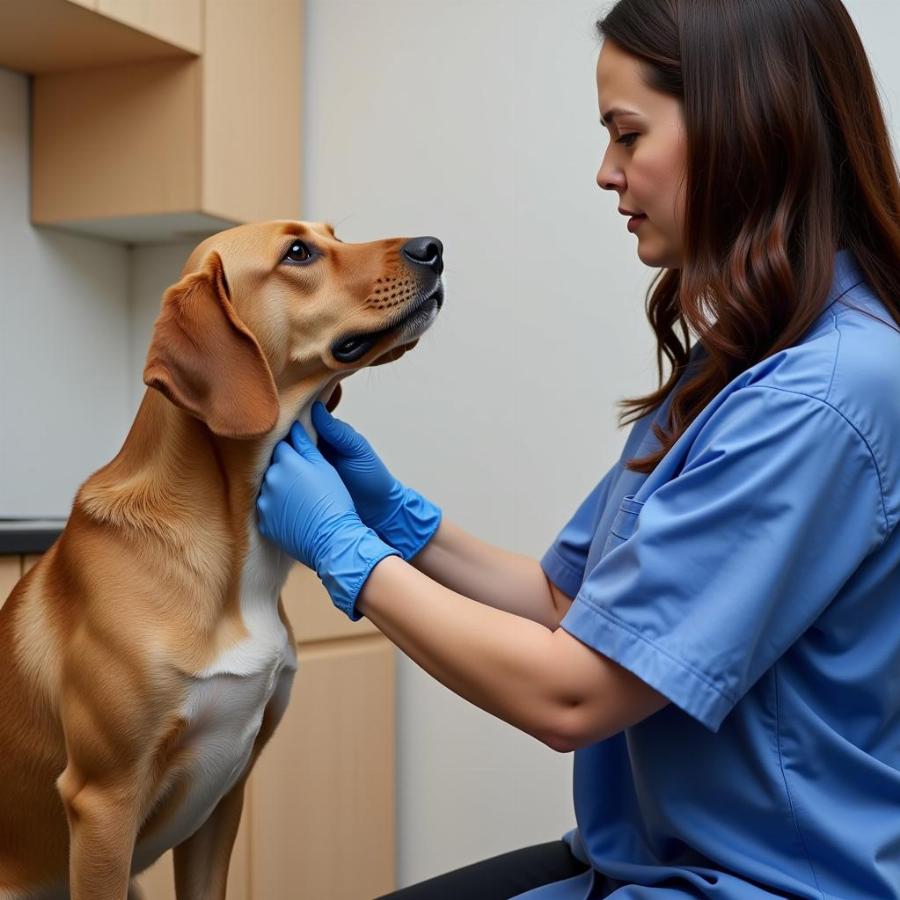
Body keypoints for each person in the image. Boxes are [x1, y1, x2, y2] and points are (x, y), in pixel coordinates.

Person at [256, 0, 900, 896]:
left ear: (745, 122)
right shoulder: (744, 358)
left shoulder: (825, 396)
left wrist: (344, 552)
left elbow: (573, 695)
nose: (606, 172)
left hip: (768, 881)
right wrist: (397, 517)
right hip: (646, 852)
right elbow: (567, 599)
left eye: (627, 135)